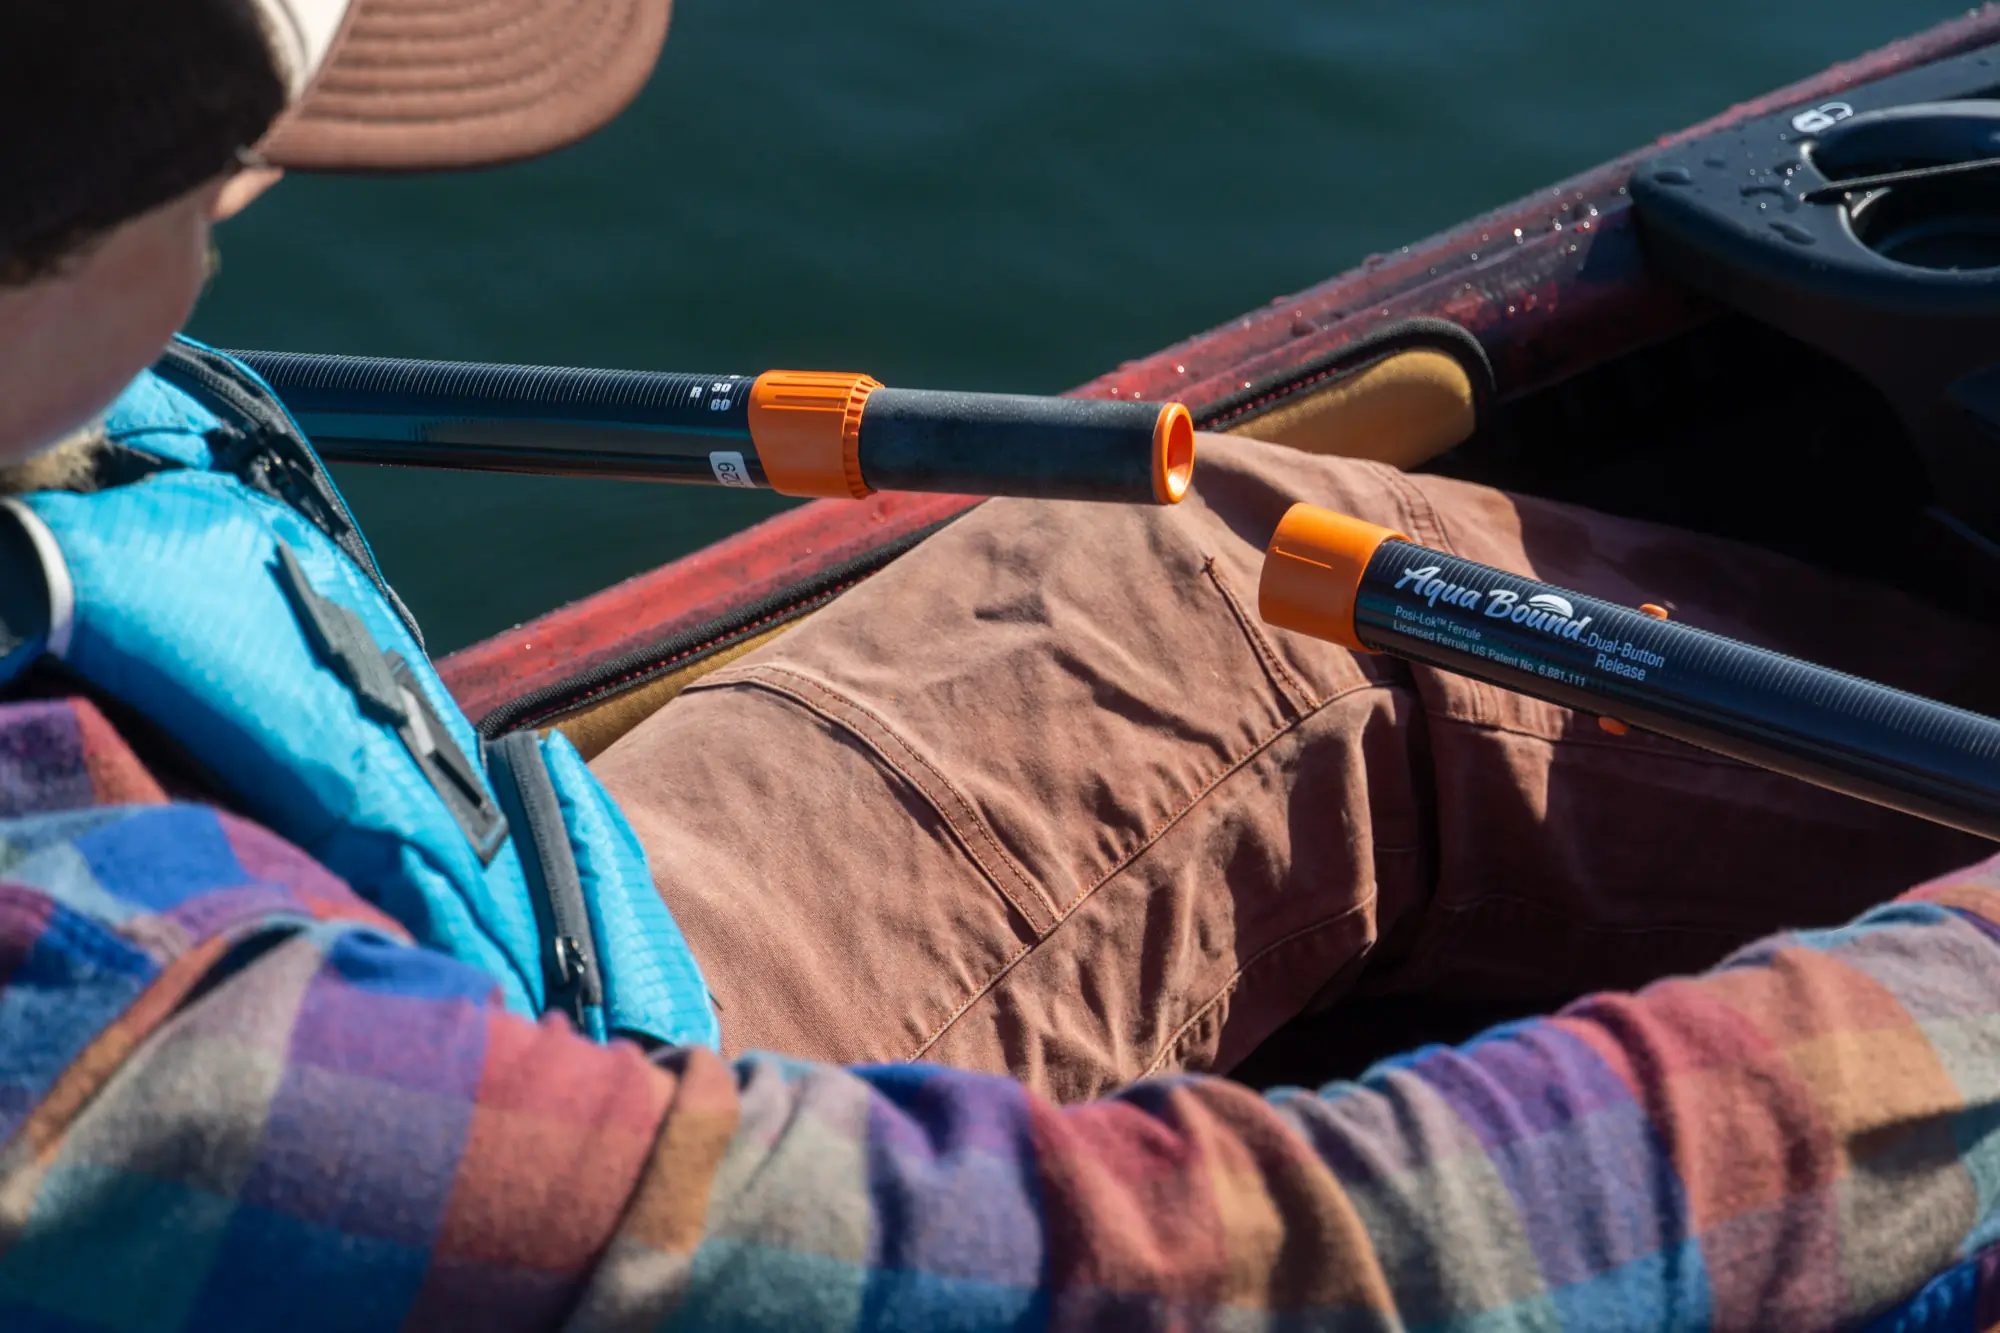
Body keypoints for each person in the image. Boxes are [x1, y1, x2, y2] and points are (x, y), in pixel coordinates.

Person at [3, 1, 2000, 1328]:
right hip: (548, 1152)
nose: (250, 201)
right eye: (220, 170)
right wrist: (1953, 1006)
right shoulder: (110, 1053)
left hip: (504, 961)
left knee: (1224, 593)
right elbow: (1188, 1284)